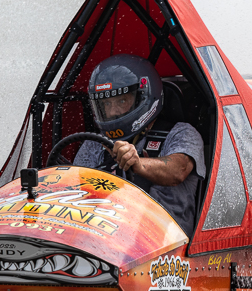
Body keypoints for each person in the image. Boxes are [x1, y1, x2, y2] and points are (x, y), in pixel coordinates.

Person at [73, 54, 205, 237]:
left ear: (144, 96)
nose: (113, 112)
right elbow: (74, 190)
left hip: (165, 249)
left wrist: (138, 164)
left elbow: (178, 170)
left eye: (121, 101)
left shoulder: (182, 133)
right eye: (106, 104)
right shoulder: (95, 143)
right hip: (105, 238)